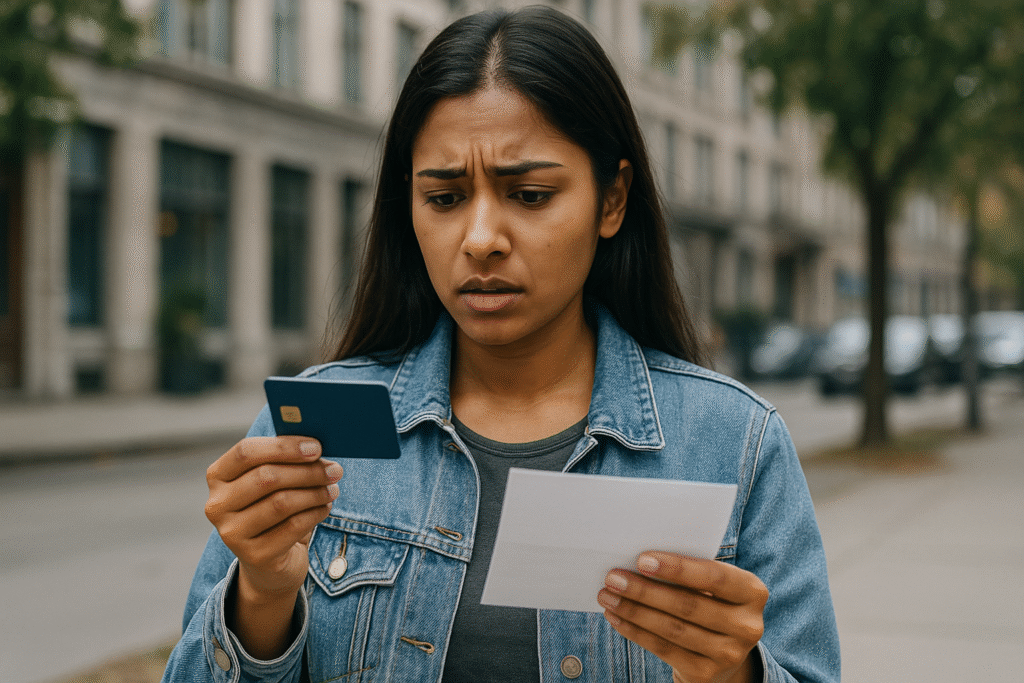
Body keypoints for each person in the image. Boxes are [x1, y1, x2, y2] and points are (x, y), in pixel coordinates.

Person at [162, 6, 839, 683]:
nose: (482, 237)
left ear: (613, 199)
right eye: (446, 198)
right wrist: (262, 594)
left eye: (531, 193)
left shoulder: (734, 442)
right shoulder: (318, 426)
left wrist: (736, 672)